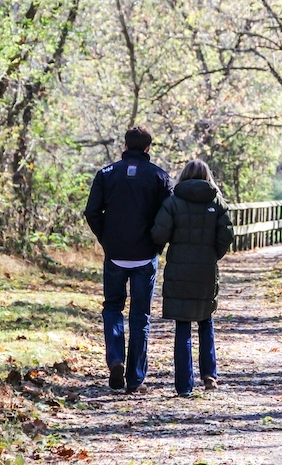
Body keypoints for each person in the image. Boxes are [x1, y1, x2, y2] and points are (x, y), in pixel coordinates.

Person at [84, 127, 172, 395]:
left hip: (115, 255)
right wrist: (157, 244)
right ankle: (135, 379)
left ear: (125, 145)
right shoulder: (159, 176)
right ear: (148, 148)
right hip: (145, 257)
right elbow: (166, 218)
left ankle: (115, 359)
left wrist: (106, 239)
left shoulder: (107, 174)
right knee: (140, 316)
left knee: (112, 308)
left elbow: (91, 212)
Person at [151, 159, 234, 397]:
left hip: (179, 270)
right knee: (206, 320)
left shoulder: (173, 202)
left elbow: (159, 234)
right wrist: (214, 254)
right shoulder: (217, 202)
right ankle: (209, 374)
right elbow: (227, 234)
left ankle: (184, 385)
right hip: (206, 269)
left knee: (183, 325)